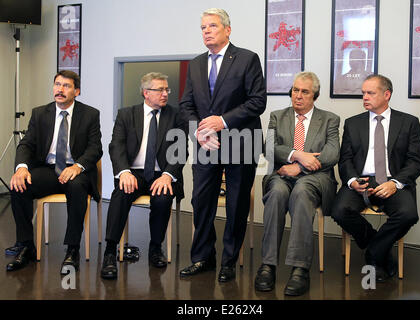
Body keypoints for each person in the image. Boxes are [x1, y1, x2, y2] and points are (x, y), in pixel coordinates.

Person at [179, 8, 266, 282]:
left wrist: (222, 121)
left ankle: (229, 261)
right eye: (203, 27)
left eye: (212, 26)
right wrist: (200, 130)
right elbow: (186, 105)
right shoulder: (195, 64)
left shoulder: (247, 59)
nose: (206, 30)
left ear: (227, 30)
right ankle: (203, 257)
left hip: (241, 141)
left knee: (236, 204)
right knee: (201, 201)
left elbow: (257, 102)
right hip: (207, 143)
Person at [6, 70, 102, 274]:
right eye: (57, 84)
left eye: (66, 86)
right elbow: (26, 144)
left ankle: (72, 249)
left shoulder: (90, 114)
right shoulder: (40, 113)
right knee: (19, 187)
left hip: (76, 170)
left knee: (77, 187)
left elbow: (95, 148)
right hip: (48, 169)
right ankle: (26, 246)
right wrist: (21, 168)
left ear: (76, 91)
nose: (60, 89)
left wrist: (77, 167)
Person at [331, 74, 420, 282]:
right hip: (361, 180)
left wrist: (395, 183)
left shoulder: (408, 123)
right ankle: (379, 247)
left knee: (408, 214)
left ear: (387, 95)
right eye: (363, 93)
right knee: (338, 210)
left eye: (370, 93)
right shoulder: (353, 124)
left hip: (393, 180)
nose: (365, 97)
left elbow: (416, 162)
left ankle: (373, 253)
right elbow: (345, 159)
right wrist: (352, 181)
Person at [255, 72, 340, 296]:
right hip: (281, 175)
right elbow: (270, 149)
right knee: (276, 193)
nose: (298, 96)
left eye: (305, 92)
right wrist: (299, 155)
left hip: (315, 179)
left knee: (302, 192)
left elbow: (331, 154)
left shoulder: (330, 119)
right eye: (295, 90)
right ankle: (268, 265)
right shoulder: (277, 116)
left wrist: (299, 167)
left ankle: (299, 269)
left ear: (315, 96)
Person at [100, 72, 187, 280]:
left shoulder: (176, 116)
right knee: (121, 193)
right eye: (160, 90)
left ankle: (155, 248)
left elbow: (181, 149)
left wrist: (167, 175)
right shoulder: (126, 114)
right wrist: (123, 172)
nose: (165, 93)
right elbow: (116, 146)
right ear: (146, 93)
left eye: (167, 89)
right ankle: (110, 251)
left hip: (162, 173)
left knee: (163, 197)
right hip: (134, 173)